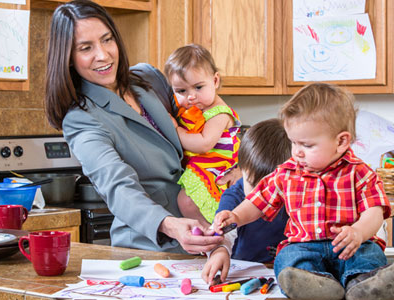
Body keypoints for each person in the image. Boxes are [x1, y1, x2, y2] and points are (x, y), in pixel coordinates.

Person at [44, 0, 233, 254]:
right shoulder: (82, 119)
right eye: (86, 48)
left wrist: (238, 167)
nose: (103, 54)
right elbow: (118, 188)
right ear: (68, 58)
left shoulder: (148, 78)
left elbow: (205, 114)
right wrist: (168, 224)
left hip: (206, 231)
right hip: (151, 248)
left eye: (107, 39)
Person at [213, 83, 393, 300]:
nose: (296, 152)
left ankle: (363, 285)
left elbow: (374, 211)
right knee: (288, 257)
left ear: (341, 141)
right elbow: (258, 201)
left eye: (306, 145)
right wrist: (237, 216)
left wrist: (359, 232)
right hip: (305, 247)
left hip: (349, 246)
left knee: (369, 254)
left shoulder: (360, 173)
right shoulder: (286, 172)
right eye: (293, 142)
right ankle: (317, 287)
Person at [201, 118, 291, 284]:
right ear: (240, 169)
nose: (262, 196)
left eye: (273, 189)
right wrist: (220, 251)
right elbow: (222, 231)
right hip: (244, 272)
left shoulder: (294, 195)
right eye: (253, 185)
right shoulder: (233, 197)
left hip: (284, 274)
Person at [164, 44, 241, 226]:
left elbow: (204, 144)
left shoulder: (219, 112)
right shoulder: (191, 110)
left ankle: (210, 232)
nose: (191, 96)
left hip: (217, 168)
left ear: (215, 81)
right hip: (201, 167)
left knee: (186, 200)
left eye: (198, 87)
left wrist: (176, 130)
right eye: (181, 91)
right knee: (185, 201)